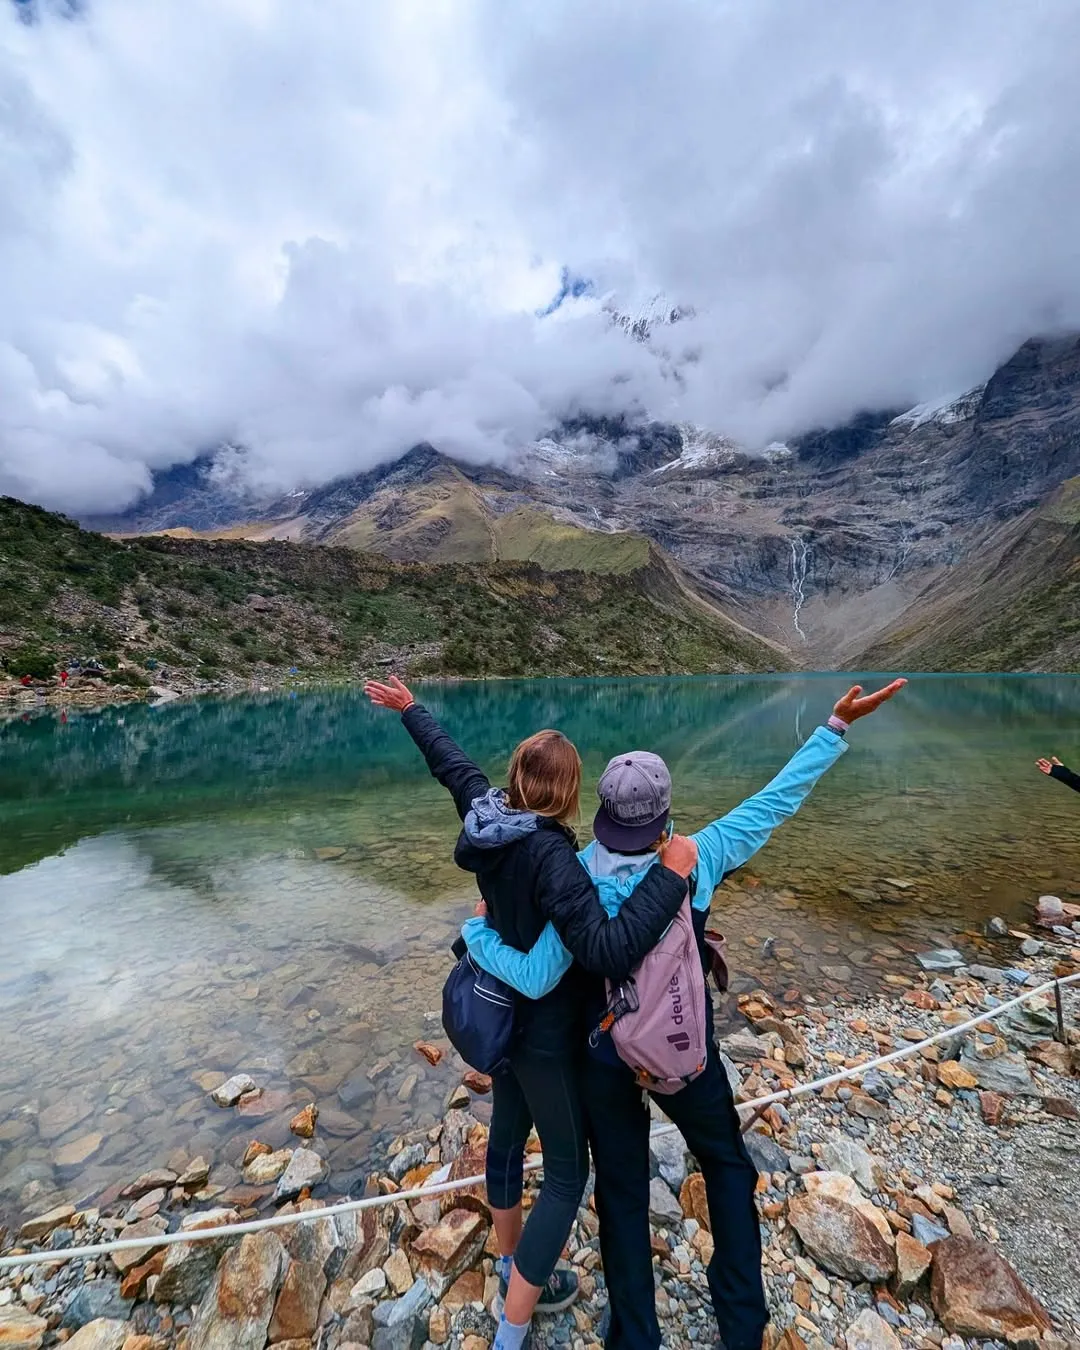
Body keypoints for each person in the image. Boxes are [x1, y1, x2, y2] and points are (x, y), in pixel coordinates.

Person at [464, 680, 906, 1350]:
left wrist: (480, 935)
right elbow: (776, 803)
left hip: (601, 1056)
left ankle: (635, 1336)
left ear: (602, 811)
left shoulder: (571, 869)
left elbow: (539, 960)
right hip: (681, 1052)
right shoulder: (697, 855)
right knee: (726, 1165)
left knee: (620, 1193)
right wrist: (833, 728)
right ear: (664, 815)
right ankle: (741, 1324)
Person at [362, 676, 699, 1350]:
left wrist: (411, 710)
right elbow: (604, 950)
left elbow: (452, 767)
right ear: (572, 794)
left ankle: (510, 1260)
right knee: (568, 1174)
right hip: (543, 1035)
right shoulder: (552, 857)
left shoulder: (487, 816)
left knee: (508, 1141)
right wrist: (670, 877)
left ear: (514, 776)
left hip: (500, 1023)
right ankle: (513, 1326)